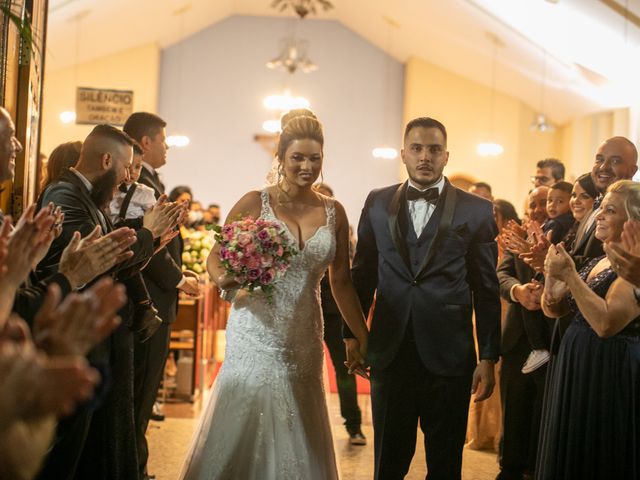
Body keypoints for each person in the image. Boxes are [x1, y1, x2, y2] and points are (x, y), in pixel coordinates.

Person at [180, 113, 369, 479]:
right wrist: (229, 281)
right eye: (298, 157)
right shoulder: (255, 202)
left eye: (315, 158)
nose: (307, 166)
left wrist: (363, 335)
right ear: (280, 157)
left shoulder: (334, 212)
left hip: (304, 332)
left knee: (299, 416)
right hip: (255, 328)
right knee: (250, 409)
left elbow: (342, 281)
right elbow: (216, 257)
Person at [350, 116, 500, 479]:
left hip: (450, 354)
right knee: (388, 460)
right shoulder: (377, 202)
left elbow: (486, 288)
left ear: (446, 155)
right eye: (417, 148)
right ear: (403, 153)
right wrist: (351, 335)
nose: (425, 157)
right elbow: (363, 274)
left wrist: (489, 357)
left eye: (433, 149)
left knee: (445, 463)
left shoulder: (476, 209)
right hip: (390, 350)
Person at [538, 180, 640, 479]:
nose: (599, 216)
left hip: (609, 369)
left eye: (610, 210)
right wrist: (551, 276)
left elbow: (606, 324)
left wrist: (569, 275)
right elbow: (554, 309)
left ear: (632, 221)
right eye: (600, 209)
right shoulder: (598, 260)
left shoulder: (633, 271)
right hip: (576, 364)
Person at [123, 112, 199, 480]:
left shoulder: (149, 180)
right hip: (150, 296)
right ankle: (133, 468)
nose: (167, 147)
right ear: (145, 143)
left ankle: (135, 465)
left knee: (142, 393)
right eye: (163, 141)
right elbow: (149, 243)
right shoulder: (140, 186)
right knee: (140, 393)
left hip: (155, 293)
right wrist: (177, 279)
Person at [495, 186, 552, 480]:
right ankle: (510, 468)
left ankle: (536, 468)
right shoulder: (519, 238)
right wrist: (517, 291)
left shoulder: (565, 233)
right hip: (517, 340)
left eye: (546, 203)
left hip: (552, 341)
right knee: (514, 409)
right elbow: (502, 275)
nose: (540, 209)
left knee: (542, 413)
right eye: (534, 204)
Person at [314, 182, 366, 446]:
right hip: (307, 307)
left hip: (335, 310)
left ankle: (354, 424)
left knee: (343, 369)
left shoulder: (341, 228)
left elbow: (348, 273)